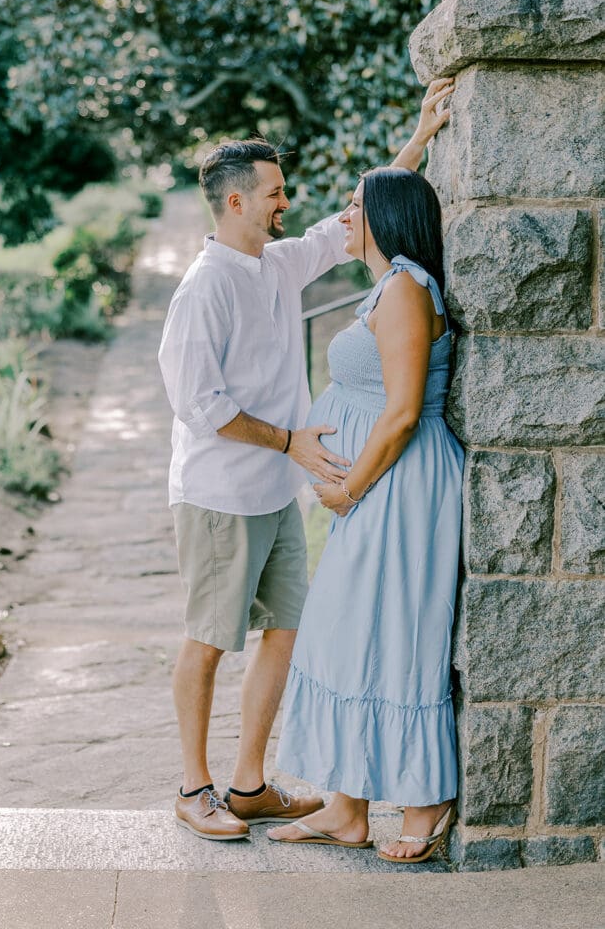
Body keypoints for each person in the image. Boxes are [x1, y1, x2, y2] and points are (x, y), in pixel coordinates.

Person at [158, 80, 454, 842]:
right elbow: (200, 405)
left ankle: (250, 785)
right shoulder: (203, 290)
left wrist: (418, 138)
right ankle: (195, 788)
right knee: (208, 638)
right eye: (274, 193)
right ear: (234, 203)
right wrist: (293, 442)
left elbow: (359, 222)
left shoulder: (273, 265)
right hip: (220, 495)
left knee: (285, 634)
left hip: (276, 494)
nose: (286, 203)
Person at [268, 166, 464, 861]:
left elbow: (404, 411)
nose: (343, 217)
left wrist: (348, 489)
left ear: (385, 216)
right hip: (375, 487)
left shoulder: (408, 288)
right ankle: (346, 807)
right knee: (345, 632)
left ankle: (423, 799)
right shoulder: (390, 284)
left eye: (354, 207)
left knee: (399, 632)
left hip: (399, 488)